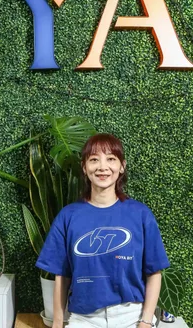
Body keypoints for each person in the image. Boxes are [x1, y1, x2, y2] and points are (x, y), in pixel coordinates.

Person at [36, 133, 169, 328]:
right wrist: (57, 323)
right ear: (84, 167)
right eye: (94, 160)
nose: (102, 167)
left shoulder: (141, 214)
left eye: (111, 159)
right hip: (84, 319)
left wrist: (146, 321)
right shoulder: (68, 216)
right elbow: (62, 276)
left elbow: (154, 272)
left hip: (132, 317)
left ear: (122, 166)